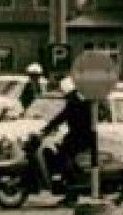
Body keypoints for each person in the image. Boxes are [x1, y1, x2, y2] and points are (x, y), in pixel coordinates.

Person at [40, 77, 97, 205]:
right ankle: (69, 189)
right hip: (78, 135)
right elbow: (62, 117)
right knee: (61, 151)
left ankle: (72, 191)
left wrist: (47, 129)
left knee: (63, 158)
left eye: (65, 93)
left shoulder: (75, 103)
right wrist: (48, 128)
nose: (65, 96)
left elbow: (62, 117)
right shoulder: (78, 100)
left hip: (81, 137)